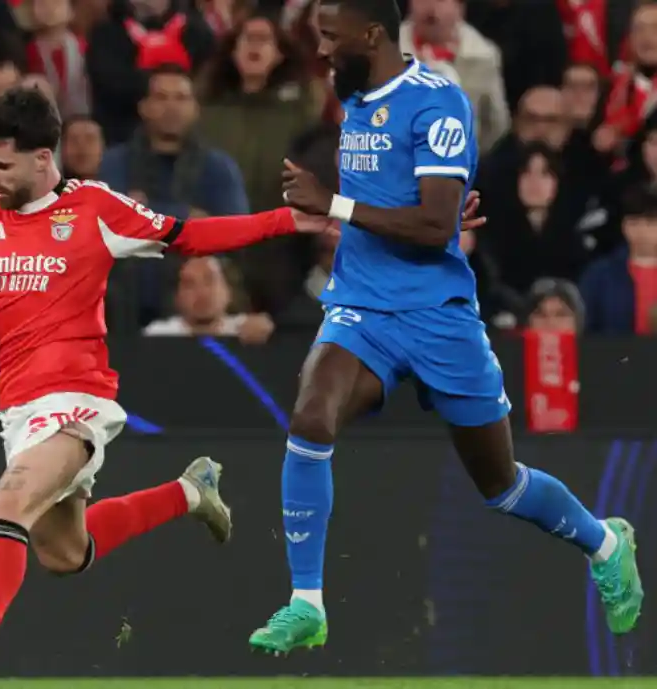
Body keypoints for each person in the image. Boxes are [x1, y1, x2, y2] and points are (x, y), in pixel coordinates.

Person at [0, 85, 337, 688]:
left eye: (1, 165)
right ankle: (190, 492)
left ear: (41, 157)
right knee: (64, 553)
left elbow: (189, 236)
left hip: (76, 398)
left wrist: (283, 221)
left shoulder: (94, 209)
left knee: (7, 505)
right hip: (18, 409)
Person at [247, 0, 643, 655]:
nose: (320, 50)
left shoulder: (440, 100)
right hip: (362, 308)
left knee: (501, 483)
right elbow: (421, 203)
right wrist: (431, 203)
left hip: (438, 316)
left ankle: (605, 540)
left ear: (371, 33)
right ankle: (306, 602)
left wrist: (338, 204)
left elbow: (433, 228)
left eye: (329, 36)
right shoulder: (355, 97)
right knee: (311, 417)